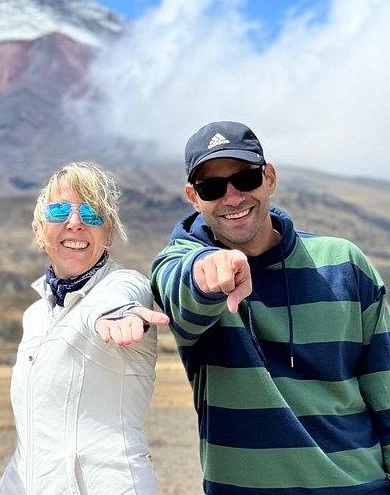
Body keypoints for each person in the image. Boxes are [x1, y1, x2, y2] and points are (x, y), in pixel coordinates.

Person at [151, 120, 390, 494]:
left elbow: (385, 387)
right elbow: (183, 300)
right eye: (211, 187)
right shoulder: (179, 263)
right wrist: (209, 275)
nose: (232, 198)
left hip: (358, 485)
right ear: (193, 198)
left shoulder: (343, 263)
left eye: (245, 179)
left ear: (270, 178)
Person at [0, 162, 170, 495]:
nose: (75, 223)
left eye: (92, 215)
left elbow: (119, 297)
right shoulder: (36, 314)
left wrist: (118, 314)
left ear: (108, 234)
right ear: (38, 229)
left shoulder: (124, 284)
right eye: (60, 210)